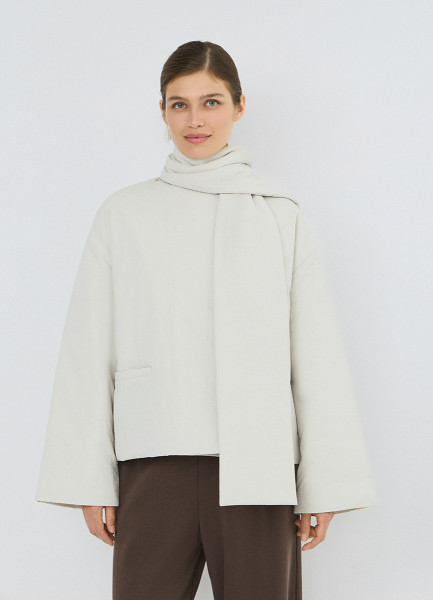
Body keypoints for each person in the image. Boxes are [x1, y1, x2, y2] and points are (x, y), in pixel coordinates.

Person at [35, 40, 377, 599]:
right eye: (179, 104)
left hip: (258, 462)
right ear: (163, 111)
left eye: (211, 102)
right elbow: (87, 348)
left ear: (239, 106)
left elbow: (316, 355)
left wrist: (326, 483)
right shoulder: (124, 213)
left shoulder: (279, 216)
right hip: (153, 455)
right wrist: (87, 479)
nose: (195, 120)